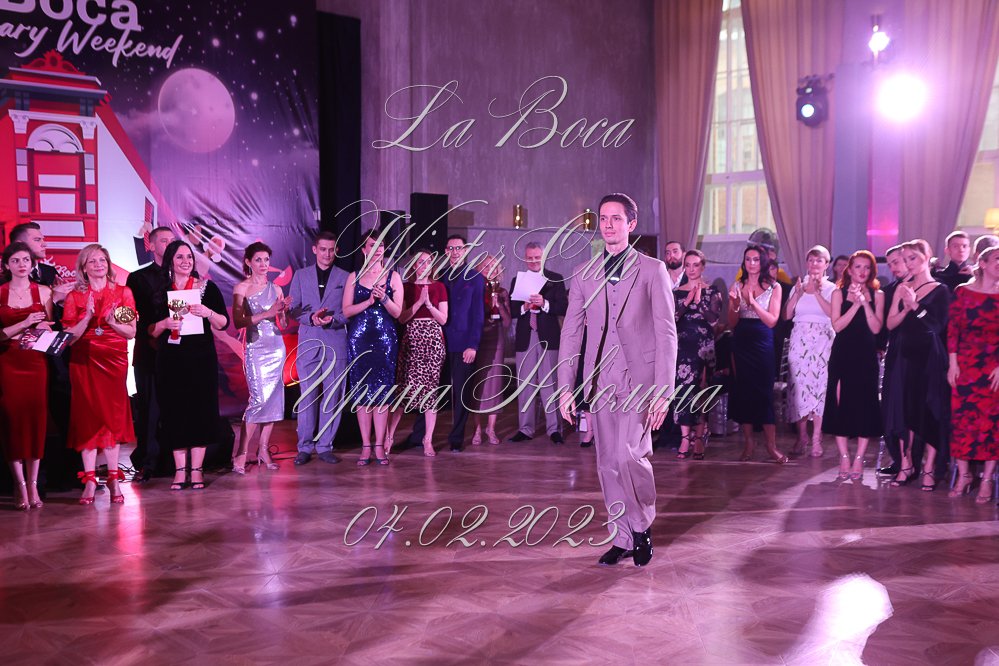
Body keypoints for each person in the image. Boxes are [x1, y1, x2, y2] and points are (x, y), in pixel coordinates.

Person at [558, 193, 678, 567]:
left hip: (640, 380)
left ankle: (641, 527)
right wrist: (565, 387)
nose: (608, 224)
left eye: (616, 218)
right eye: (603, 218)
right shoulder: (583, 273)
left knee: (630, 456)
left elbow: (666, 333)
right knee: (608, 461)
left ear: (631, 224)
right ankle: (622, 536)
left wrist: (663, 392)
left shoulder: (652, 270)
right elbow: (571, 333)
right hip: (600, 380)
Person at [149, 240, 230, 491]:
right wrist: (164, 324)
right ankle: (179, 471)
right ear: (170, 261)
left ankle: (196, 471)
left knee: (200, 412)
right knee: (174, 413)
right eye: (180, 257)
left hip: (201, 359)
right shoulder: (161, 290)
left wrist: (207, 313)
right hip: (171, 361)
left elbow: (223, 323)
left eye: (189, 257)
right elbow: (149, 330)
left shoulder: (206, 287)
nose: (186, 262)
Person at [61, 244, 136, 505]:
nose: (98, 265)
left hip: (114, 359)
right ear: (83, 267)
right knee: (88, 417)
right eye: (92, 261)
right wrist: (88, 316)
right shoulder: (74, 297)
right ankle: (90, 479)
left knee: (112, 417)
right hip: (84, 360)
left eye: (102, 260)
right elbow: (69, 339)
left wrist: (112, 322)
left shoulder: (123, 293)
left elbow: (131, 331)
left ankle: (114, 477)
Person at [406, 234, 485, 452]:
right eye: (450, 248)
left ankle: (456, 438)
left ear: (465, 250)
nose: (455, 252)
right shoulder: (440, 276)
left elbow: (478, 315)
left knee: (461, 392)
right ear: (445, 251)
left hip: (464, 344)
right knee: (429, 389)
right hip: (438, 342)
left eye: (458, 248)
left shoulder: (476, 278)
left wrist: (473, 345)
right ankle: (418, 435)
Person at [888, 240, 951, 491]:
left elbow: (937, 326)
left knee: (929, 409)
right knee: (905, 409)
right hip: (904, 356)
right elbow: (890, 324)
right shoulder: (902, 287)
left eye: (912, 258)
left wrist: (915, 305)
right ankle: (906, 464)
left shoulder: (941, 290)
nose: (908, 263)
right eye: (905, 259)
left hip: (930, 357)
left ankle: (929, 467)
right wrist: (905, 308)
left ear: (927, 257)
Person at [288, 231, 350, 466]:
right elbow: (293, 309)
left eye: (331, 250)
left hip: (336, 342)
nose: (327, 254)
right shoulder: (301, 275)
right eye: (323, 249)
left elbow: (349, 311)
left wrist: (334, 320)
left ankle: (325, 445)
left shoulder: (346, 277)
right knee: (307, 398)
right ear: (315, 250)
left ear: (336, 251)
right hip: (309, 343)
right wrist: (310, 318)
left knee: (333, 397)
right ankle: (304, 447)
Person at [0, 242, 53, 510]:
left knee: (35, 421)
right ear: (6, 265)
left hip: (35, 362)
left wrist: (42, 327)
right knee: (12, 421)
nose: (22, 265)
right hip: (8, 362)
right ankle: (19, 485)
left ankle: (33, 484)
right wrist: (24, 323)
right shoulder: (0, 292)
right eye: (16, 260)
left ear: (33, 264)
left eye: (26, 260)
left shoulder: (44, 291)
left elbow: (50, 328)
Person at [343, 229, 404, 466]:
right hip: (359, 340)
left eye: (380, 245)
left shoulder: (393, 277)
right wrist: (368, 302)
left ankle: (379, 445)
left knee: (382, 393)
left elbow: (398, 313)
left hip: (385, 341)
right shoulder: (354, 276)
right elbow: (346, 311)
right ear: (364, 250)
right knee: (362, 394)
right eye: (371, 245)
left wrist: (384, 299)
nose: (377, 250)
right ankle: (365, 446)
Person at [823, 251, 884, 481]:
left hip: (866, 355)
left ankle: (859, 457)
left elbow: (876, 328)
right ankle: (844, 456)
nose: (862, 271)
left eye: (867, 267)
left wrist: (865, 303)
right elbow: (837, 326)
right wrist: (855, 305)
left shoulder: (878, 295)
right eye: (858, 266)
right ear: (849, 269)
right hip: (843, 355)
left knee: (865, 404)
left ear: (872, 271)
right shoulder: (838, 293)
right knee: (841, 404)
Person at [947, 246, 999, 502]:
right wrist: (952, 363)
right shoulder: (963, 292)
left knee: (992, 423)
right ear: (984, 263)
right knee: (962, 421)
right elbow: (953, 330)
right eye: (998, 259)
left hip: (993, 368)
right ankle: (965, 475)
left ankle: (987, 479)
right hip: (965, 365)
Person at [231, 242, 289, 474]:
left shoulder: (276, 289)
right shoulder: (242, 288)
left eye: (266, 260)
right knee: (258, 400)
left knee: (273, 399)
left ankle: (263, 450)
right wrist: (268, 313)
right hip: (255, 347)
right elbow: (238, 321)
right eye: (258, 260)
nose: (264, 264)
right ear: (248, 262)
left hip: (276, 347)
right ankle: (241, 453)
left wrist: (282, 312)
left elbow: (282, 323)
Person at [728, 245, 787, 464]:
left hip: (762, 339)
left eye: (755, 259)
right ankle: (749, 444)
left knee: (763, 391)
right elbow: (732, 322)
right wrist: (736, 305)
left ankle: (771, 446)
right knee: (744, 391)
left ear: (762, 262)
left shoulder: (774, 287)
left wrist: (753, 303)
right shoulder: (737, 285)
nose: (751, 263)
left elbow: (772, 320)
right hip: (742, 339)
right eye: (748, 259)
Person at [389, 248, 448, 456]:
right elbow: (402, 318)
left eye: (428, 261)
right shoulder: (406, 287)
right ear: (414, 265)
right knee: (402, 391)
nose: (425, 265)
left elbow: (443, 319)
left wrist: (429, 305)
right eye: (421, 262)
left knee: (430, 393)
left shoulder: (439, 286)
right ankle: (388, 438)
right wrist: (418, 303)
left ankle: (427, 440)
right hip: (412, 340)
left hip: (433, 341)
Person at [509, 241, 568, 444]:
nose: (534, 261)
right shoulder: (517, 280)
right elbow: (513, 310)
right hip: (526, 338)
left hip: (548, 338)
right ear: (525, 258)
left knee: (550, 384)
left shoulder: (556, 279)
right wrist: (524, 307)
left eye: (537, 257)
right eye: (530, 258)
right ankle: (525, 429)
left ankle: (554, 429)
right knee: (525, 386)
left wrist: (545, 304)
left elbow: (563, 307)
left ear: (544, 257)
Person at [127, 226, 173, 482]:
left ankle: (175, 460)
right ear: (151, 246)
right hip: (148, 351)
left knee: (174, 408)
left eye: (173, 240)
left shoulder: (187, 276)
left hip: (178, 353)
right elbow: (130, 313)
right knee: (149, 409)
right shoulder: (138, 278)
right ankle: (148, 462)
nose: (169, 244)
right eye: (164, 241)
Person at [784, 245, 836, 458]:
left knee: (819, 387)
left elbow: (832, 314)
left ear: (826, 264)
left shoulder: (832, 288)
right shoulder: (798, 285)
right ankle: (802, 436)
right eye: (811, 260)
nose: (814, 264)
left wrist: (817, 293)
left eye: (819, 260)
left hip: (822, 340)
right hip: (799, 338)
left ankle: (816, 437)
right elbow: (787, 315)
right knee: (799, 387)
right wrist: (798, 294)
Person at [672, 250, 721, 459]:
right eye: (688, 265)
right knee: (683, 391)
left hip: (704, 347)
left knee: (702, 391)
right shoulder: (676, 292)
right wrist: (687, 302)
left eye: (696, 265)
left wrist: (699, 301)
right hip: (682, 347)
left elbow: (714, 320)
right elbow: (671, 319)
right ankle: (685, 438)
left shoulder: (713, 291)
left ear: (703, 266)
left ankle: (699, 437)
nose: (691, 269)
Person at [470, 254, 511, 447]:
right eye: (486, 266)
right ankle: (477, 429)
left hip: (497, 339)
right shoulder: (474, 289)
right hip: (478, 338)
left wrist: (499, 304)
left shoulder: (502, 292)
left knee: (495, 383)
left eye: (493, 267)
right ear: (478, 269)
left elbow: (508, 322)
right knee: (477, 383)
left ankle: (491, 429)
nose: (490, 270)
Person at [877, 245, 910, 477]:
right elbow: (883, 326)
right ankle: (899, 460)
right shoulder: (889, 291)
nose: (893, 268)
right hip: (896, 350)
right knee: (891, 405)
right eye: (889, 264)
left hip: (919, 352)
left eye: (896, 262)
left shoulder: (929, 287)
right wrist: (879, 346)